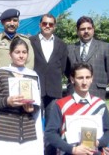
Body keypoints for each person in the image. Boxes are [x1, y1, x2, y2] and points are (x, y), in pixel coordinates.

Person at [0, 38, 43, 155]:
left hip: (28, 134)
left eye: (24, 52)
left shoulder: (32, 76)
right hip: (4, 133)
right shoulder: (0, 73)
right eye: (17, 52)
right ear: (10, 54)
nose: (21, 56)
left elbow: (38, 103)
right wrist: (7, 101)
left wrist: (33, 108)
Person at [45, 63, 109, 155]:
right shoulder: (61, 104)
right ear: (72, 79)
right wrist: (73, 150)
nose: (84, 82)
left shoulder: (99, 104)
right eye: (80, 78)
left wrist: (98, 142)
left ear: (92, 79)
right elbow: (50, 133)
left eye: (87, 77)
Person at [29, 14, 68, 155]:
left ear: (54, 26)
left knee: (52, 126)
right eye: (45, 23)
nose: (47, 26)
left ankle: (50, 152)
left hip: (54, 90)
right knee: (32, 122)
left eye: (50, 24)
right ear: (40, 25)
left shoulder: (62, 45)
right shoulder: (30, 41)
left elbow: (63, 67)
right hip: (35, 89)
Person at [66, 16, 109, 99]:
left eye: (89, 28)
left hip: (96, 92)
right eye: (82, 29)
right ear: (77, 31)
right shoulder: (69, 49)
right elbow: (67, 71)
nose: (86, 31)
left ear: (93, 30)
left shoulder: (105, 47)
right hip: (73, 93)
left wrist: (99, 83)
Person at [0, 8, 34, 77]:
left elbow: (30, 63)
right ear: (2, 22)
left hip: (20, 81)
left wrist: (19, 77)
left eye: (15, 20)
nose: (12, 23)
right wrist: (2, 78)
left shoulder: (26, 41)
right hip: (0, 83)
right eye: (8, 20)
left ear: (18, 23)